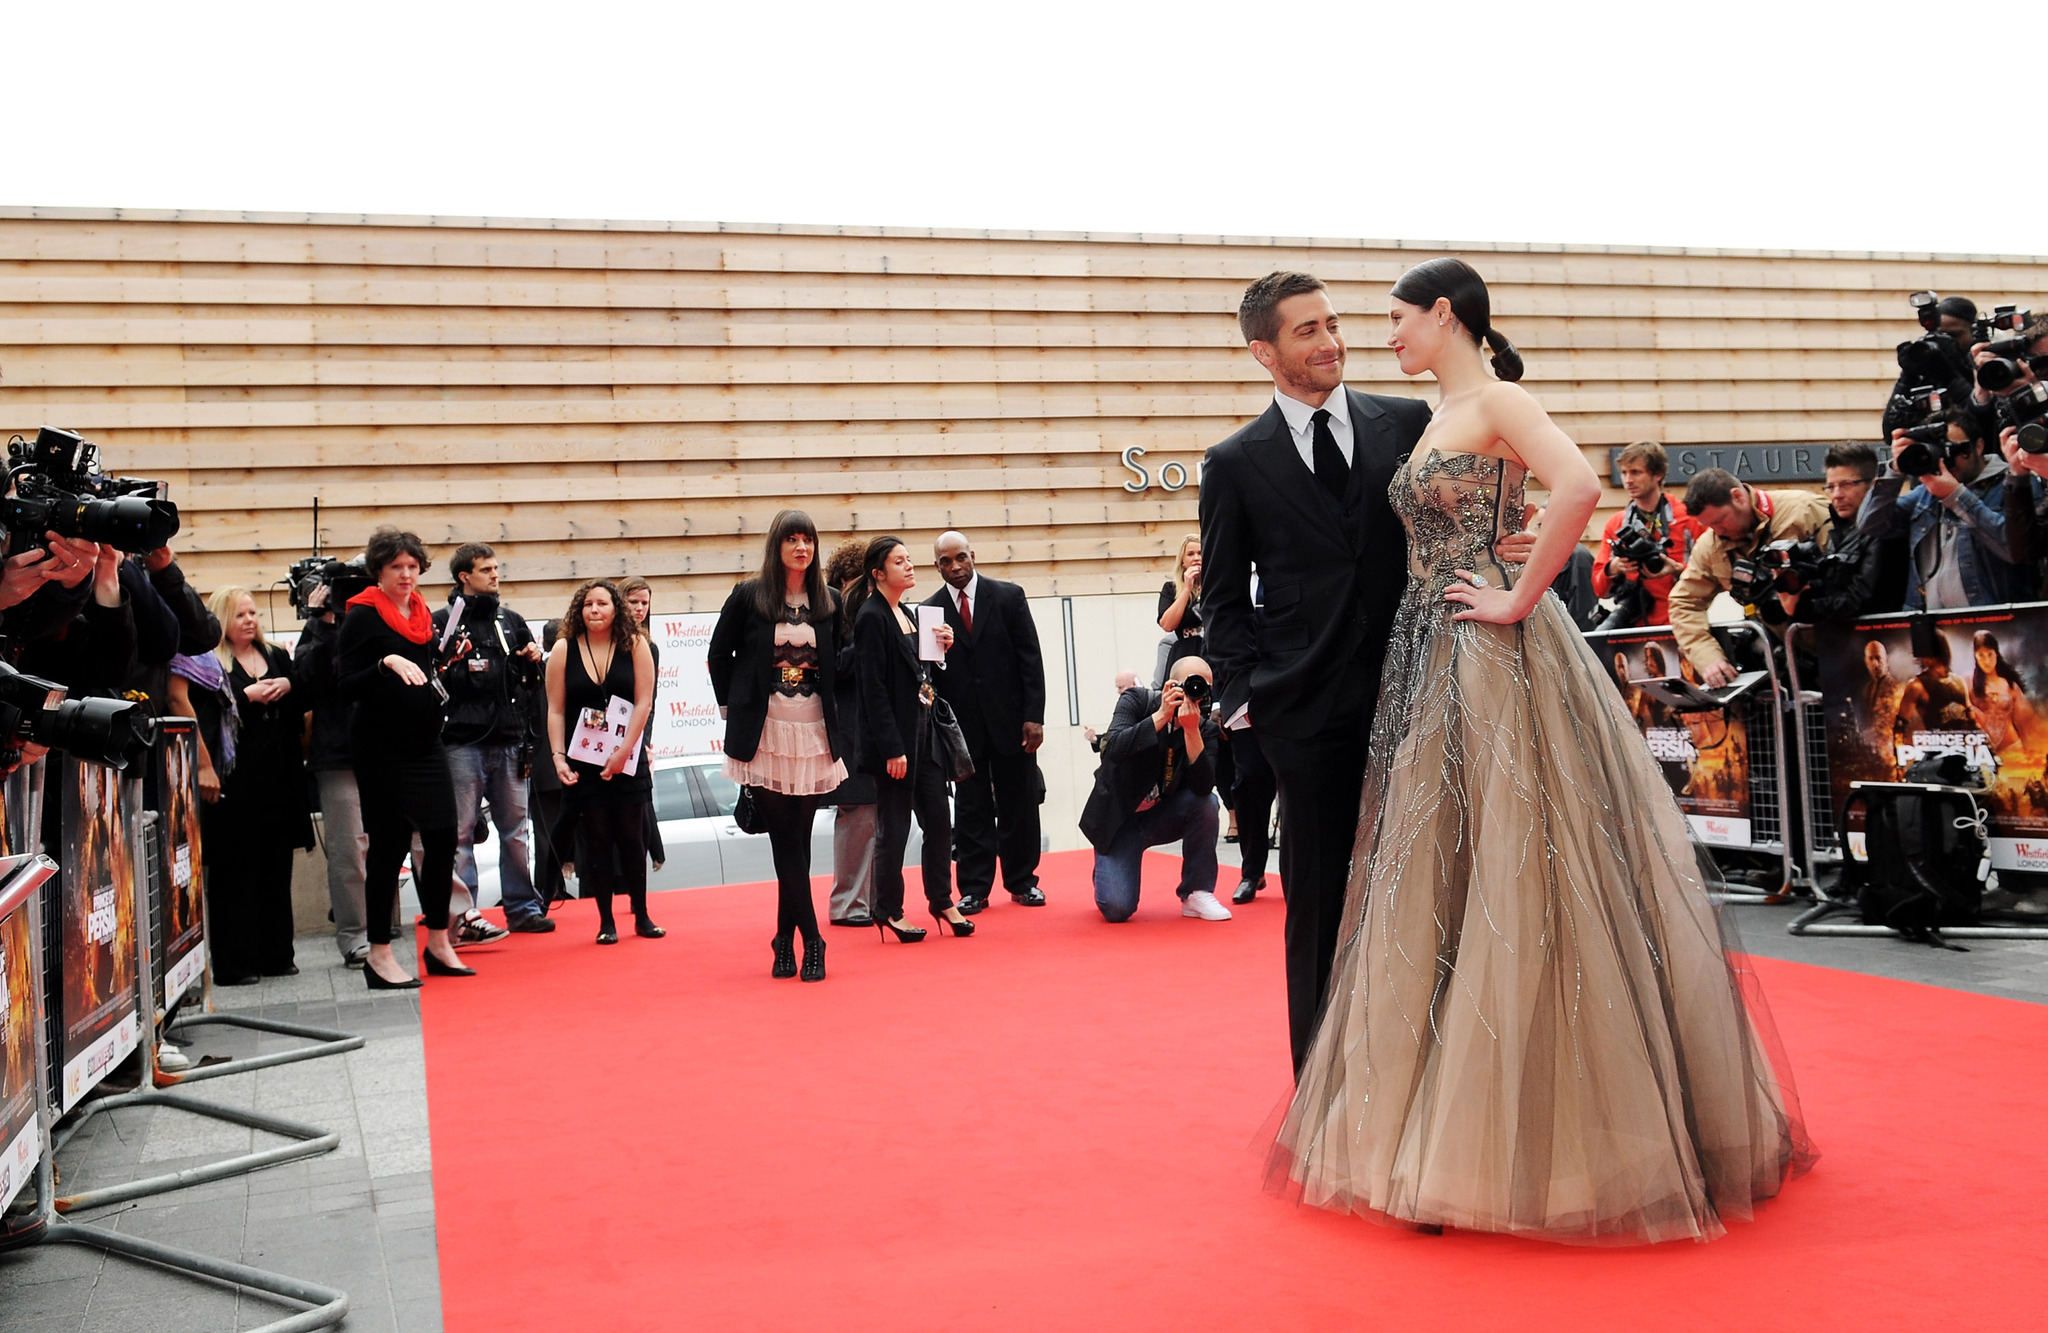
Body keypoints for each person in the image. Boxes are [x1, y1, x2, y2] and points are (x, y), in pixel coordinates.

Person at [1269, 258, 1811, 1244]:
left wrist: (1518, 592)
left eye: (1395, 320)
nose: (1383, 336)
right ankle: (1449, 1122)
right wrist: (1503, 539)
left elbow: (1577, 484)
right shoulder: (1439, 414)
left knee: (1531, 868)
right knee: (1450, 872)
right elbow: (1502, 509)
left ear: (1442, 314)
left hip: (1492, 652)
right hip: (1431, 654)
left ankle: (1561, 1139)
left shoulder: (1495, 398)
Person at [1199, 269, 1536, 1074]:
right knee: (1317, 901)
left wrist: (1507, 543)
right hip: (1304, 715)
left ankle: (1424, 1077)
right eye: (1307, 330)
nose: (1331, 342)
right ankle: (1320, 1086)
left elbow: (1471, 501)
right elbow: (1221, 598)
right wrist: (1252, 702)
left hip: (1421, 690)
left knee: (1428, 888)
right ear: (1263, 351)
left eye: (1333, 323)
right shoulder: (1235, 462)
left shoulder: (1407, 420)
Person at [707, 511, 850, 982]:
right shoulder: (750, 595)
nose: (801, 548)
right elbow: (717, 654)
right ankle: (813, 941)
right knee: (786, 841)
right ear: (777, 546)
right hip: (765, 731)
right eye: (792, 539)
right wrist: (732, 705)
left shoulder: (829, 600)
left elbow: (844, 661)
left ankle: (782, 941)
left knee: (798, 843)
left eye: (808, 539)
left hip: (812, 731)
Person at [336, 529, 474, 989]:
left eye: (413, 566)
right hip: (381, 747)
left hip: (425, 742)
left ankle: (438, 941)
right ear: (380, 570)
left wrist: (445, 661)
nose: (407, 574)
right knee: (390, 847)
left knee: (441, 839)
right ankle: (379, 954)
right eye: (397, 566)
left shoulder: (419, 615)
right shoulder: (362, 615)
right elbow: (344, 682)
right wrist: (385, 664)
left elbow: (425, 671)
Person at [165, 586, 309, 983]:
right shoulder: (212, 665)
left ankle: (278, 953)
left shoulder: (276, 655)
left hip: (279, 774)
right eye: (240, 615)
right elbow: (210, 713)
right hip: (235, 778)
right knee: (234, 872)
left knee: (276, 869)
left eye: (253, 613)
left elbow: (301, 704)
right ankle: (235, 961)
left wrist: (288, 687)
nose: (249, 621)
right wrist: (246, 695)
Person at [849, 535, 964, 943]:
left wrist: (942, 649)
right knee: (894, 828)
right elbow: (873, 689)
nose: (909, 567)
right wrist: (891, 747)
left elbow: (925, 678)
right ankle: (889, 910)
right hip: (896, 742)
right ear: (879, 573)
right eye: (900, 562)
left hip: (926, 734)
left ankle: (942, 900)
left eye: (910, 560)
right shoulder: (871, 617)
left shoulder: (913, 614)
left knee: (939, 821)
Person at [926, 529, 1047, 914]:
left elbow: (1031, 659)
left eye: (960, 557)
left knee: (1020, 801)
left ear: (972, 555)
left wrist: (1034, 717)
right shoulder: (929, 611)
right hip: (962, 728)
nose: (955, 567)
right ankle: (974, 889)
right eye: (945, 561)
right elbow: (929, 673)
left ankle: (1023, 881)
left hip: (1012, 721)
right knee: (971, 807)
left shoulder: (1009, 597)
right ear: (937, 566)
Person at [433, 542, 547, 936]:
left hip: (511, 739)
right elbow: (435, 682)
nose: (495, 575)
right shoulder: (443, 622)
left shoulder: (510, 620)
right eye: (486, 570)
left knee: (516, 831)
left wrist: (532, 658)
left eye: (497, 568)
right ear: (464, 577)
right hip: (461, 742)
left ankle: (523, 909)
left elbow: (532, 684)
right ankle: (463, 918)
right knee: (460, 834)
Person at [546, 580, 660, 945]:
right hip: (585, 761)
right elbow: (555, 709)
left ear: (616, 610)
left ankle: (641, 915)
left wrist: (625, 750)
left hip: (626, 757)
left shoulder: (636, 644)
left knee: (632, 837)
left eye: (602, 604)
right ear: (579, 610)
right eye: (588, 604)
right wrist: (558, 757)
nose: (594, 610)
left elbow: (644, 701)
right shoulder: (564, 648)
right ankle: (606, 920)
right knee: (596, 840)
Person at [1082, 657, 1228, 922]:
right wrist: (1161, 716)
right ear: (1169, 685)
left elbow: (1203, 787)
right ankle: (1107, 864)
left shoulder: (1204, 728)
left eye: (1204, 687)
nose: (1196, 693)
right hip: (1120, 819)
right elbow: (1113, 748)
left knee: (1207, 804)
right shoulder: (1137, 701)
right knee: (1117, 910)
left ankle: (1196, 892)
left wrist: (1192, 732)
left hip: (1161, 815)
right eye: (1190, 684)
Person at [1667, 468, 1831, 686]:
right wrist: (1708, 659)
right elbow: (1683, 603)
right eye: (1709, 526)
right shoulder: (1710, 546)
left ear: (1738, 497)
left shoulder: (1804, 511)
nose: (1719, 531)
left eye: (1721, 520)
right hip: (1787, 665)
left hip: (1842, 643)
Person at [1860, 407, 2034, 611]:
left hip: (1997, 626)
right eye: (1939, 451)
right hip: (1931, 626)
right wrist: (1896, 470)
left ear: (1979, 446)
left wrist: (1956, 496)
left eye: (1955, 449)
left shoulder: (2014, 485)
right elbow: (1870, 523)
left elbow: (2015, 549)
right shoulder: (1926, 493)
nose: (1947, 459)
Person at [1777, 442, 1907, 623]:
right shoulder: (1838, 530)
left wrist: (1800, 610)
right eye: (1831, 487)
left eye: (1846, 485)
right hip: (1844, 644)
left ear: (1873, 485)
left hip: (1883, 642)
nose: (1836, 494)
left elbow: (1863, 601)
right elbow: (1834, 588)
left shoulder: (1884, 528)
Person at [822, 539, 877, 928]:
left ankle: (872, 901)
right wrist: (864, 642)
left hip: (879, 730)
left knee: (876, 819)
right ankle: (847, 904)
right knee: (856, 815)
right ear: (843, 581)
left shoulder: (881, 614)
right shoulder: (832, 616)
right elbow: (831, 670)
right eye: (861, 581)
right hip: (849, 731)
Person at [1588, 441, 1700, 629]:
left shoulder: (1688, 518)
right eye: (1624, 473)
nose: (1628, 480)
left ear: (1658, 474)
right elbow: (1599, 588)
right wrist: (1613, 568)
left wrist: (1678, 569)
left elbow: (1714, 575)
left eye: (1636, 472)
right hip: (1633, 626)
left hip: (1682, 625)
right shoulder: (1617, 524)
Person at [618, 576, 667, 874]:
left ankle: (653, 853)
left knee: (637, 805)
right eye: (633, 602)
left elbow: (649, 701)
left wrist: (643, 742)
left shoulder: (651, 647)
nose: (639, 609)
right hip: (603, 734)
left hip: (635, 736)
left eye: (644, 603)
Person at [1968, 630, 2037, 759]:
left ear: (1996, 654)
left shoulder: (2010, 685)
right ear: (1975, 656)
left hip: (2012, 749)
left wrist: (2029, 752)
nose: (1986, 660)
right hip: (1983, 753)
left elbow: (2024, 724)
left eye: (1990, 654)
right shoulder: (1968, 682)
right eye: (1981, 655)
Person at [1157, 534, 1206, 679]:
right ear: (1183, 562)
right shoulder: (1171, 588)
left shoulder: (1215, 585)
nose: (1196, 558)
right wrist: (1186, 589)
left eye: (1200, 553)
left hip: (1212, 648)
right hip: (1186, 650)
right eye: (1190, 554)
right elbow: (1167, 624)